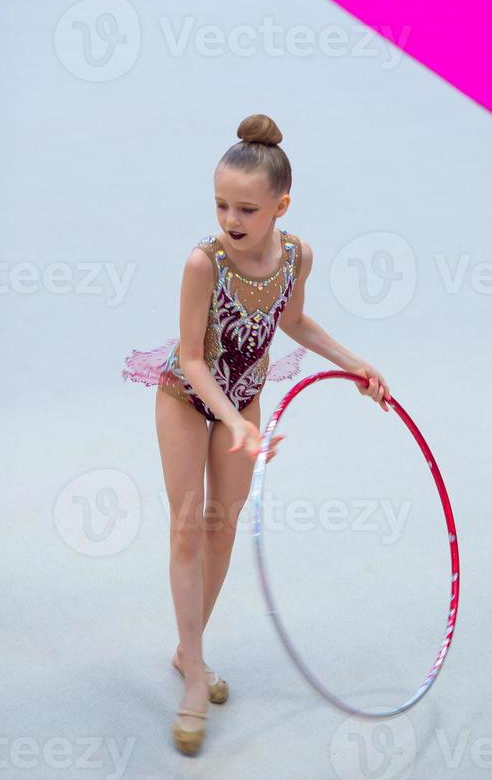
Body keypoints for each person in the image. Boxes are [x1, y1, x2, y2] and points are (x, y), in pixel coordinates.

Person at [122, 113, 391, 756]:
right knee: (188, 525)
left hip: (244, 396)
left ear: (281, 205)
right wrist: (236, 421)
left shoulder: (297, 254)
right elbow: (190, 357)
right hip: (188, 398)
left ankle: (188, 651)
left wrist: (353, 362)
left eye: (246, 207)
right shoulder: (203, 263)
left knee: (222, 528)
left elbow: (293, 321)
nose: (231, 220)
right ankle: (194, 677)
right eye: (221, 205)